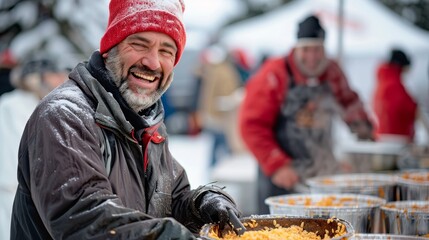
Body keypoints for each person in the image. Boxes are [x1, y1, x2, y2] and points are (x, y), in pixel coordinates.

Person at [10, 0, 240, 239]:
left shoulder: (147, 122)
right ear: (110, 48)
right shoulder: (65, 115)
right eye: (139, 45)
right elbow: (87, 220)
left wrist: (203, 203)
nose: (152, 62)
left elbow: (170, 202)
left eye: (166, 51)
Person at [238, 15, 374, 214]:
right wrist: (277, 165)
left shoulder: (332, 71)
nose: (312, 57)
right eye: (306, 49)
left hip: (321, 168)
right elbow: (251, 125)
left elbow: (349, 101)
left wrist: (362, 125)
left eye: (317, 49)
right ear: (296, 48)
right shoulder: (275, 74)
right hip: (280, 172)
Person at [0, 56, 67, 240]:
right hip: (12, 191)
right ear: (38, 77)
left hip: (39, 193)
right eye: (55, 74)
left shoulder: (45, 104)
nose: (62, 79)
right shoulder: (13, 105)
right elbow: (14, 154)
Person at [372, 49, 420, 143]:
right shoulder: (394, 84)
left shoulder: (383, 81)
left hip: (383, 135)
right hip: (396, 139)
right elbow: (406, 109)